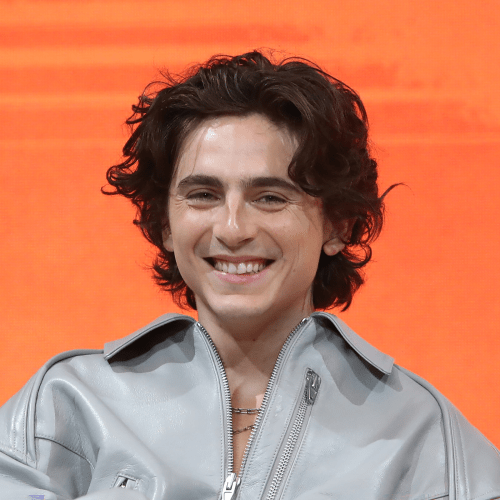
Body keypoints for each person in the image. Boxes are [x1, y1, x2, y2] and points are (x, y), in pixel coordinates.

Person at [0, 51, 499, 500]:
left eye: (270, 197)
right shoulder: (63, 408)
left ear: (338, 225)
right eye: (203, 195)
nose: (233, 229)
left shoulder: (425, 438)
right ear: (165, 224)